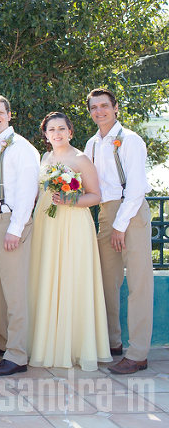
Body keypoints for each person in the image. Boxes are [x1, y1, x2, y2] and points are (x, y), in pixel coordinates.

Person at [27, 112, 110, 371]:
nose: (57, 133)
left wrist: (70, 200)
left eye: (61, 128)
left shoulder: (80, 158)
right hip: (46, 224)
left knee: (71, 277)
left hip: (73, 224)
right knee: (47, 276)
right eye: (51, 129)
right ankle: (44, 342)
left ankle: (72, 345)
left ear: (70, 132)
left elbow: (95, 196)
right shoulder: (45, 158)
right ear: (46, 135)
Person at [84, 88, 153, 374]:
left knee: (138, 284)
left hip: (131, 212)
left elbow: (136, 187)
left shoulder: (130, 140)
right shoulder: (91, 144)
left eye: (104, 106)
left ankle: (138, 354)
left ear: (115, 108)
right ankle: (112, 342)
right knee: (106, 281)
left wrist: (120, 226)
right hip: (105, 212)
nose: (99, 111)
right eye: (94, 107)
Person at [0, 94, 40, 376]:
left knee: (14, 292)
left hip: (11, 223)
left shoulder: (21, 148)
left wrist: (16, 228)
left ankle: (17, 355)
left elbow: (28, 192)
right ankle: (1, 341)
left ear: (9, 115)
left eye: (0, 112)